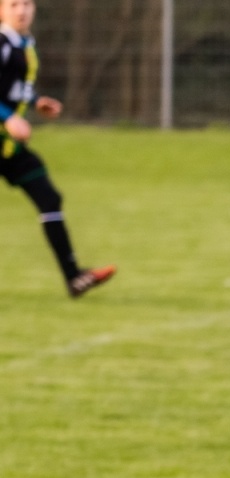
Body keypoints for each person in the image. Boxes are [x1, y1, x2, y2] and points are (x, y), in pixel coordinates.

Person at [0, 0, 113, 297]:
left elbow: (13, 86)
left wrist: (36, 102)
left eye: (26, 3)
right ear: (1, 10)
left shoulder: (26, 45)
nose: (21, 10)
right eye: (13, 4)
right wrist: (8, 116)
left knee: (49, 198)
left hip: (9, 148)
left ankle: (74, 278)